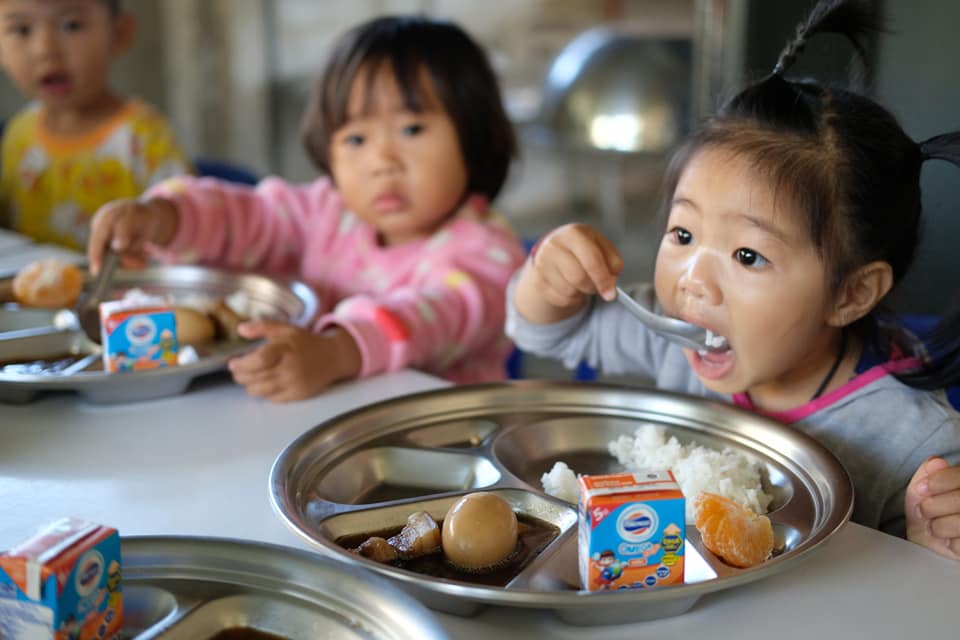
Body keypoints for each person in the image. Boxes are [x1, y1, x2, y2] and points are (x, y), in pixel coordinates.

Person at [507, 0, 960, 560]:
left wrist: (930, 547)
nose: (694, 281)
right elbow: (547, 335)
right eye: (683, 235)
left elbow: (917, 592)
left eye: (747, 255)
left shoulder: (916, 440)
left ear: (851, 294)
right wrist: (547, 280)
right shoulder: (675, 338)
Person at [87, 15, 525, 402]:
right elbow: (249, 217)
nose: (382, 162)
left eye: (411, 128)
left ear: (474, 134)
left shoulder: (490, 254)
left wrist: (338, 350)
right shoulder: (327, 211)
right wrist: (164, 218)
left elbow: (436, 315)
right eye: (356, 139)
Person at [0, 0, 191, 251]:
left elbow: (187, 233)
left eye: (71, 25)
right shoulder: (18, 133)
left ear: (119, 34)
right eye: (22, 30)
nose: (45, 49)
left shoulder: (145, 137)